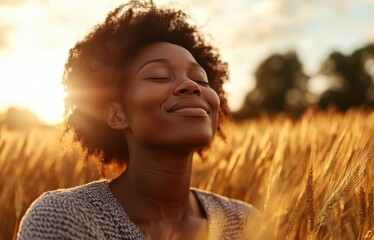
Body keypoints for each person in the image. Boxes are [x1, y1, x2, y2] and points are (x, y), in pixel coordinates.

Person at [18, 1, 259, 239]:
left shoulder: (246, 222)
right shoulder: (65, 216)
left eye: (201, 80)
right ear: (116, 114)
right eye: (159, 76)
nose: (191, 86)